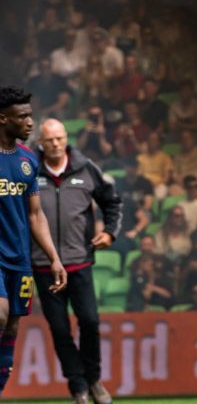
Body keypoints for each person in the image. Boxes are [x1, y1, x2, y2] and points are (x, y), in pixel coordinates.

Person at [34, 118, 122, 404]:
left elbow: (112, 201)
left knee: (90, 322)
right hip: (43, 265)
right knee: (59, 329)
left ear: (66, 138)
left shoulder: (86, 168)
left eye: (60, 138)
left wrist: (109, 232)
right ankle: (78, 387)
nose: (56, 144)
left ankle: (94, 379)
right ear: (41, 143)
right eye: (50, 140)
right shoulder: (29, 170)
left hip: (80, 261)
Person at [0, 87, 67, 397]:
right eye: (23, 117)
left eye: (30, 115)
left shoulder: (28, 159)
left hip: (20, 259)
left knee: (12, 326)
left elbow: (35, 215)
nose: (30, 122)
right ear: (3, 119)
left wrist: (53, 257)